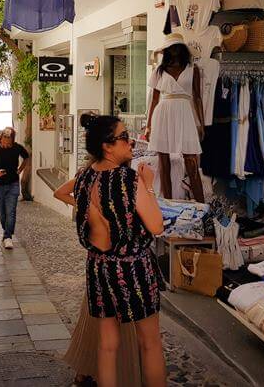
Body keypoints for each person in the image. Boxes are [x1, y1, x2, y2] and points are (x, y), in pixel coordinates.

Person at [63, 114, 166, 387]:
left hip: (99, 267)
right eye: (123, 137)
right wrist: (149, 187)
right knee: (150, 343)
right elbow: (156, 226)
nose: (130, 141)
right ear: (108, 146)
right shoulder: (129, 180)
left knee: (107, 345)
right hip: (133, 269)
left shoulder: (84, 177)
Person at [54, 171, 142, 387]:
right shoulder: (113, 178)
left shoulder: (90, 177)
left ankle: (88, 369)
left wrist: (86, 208)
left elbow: (60, 193)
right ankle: (114, 372)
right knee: (116, 322)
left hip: (99, 261)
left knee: (95, 320)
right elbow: (60, 192)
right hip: (116, 260)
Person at [145, 34, 206, 202]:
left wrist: (200, 124)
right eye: (171, 47)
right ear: (166, 50)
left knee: (191, 160)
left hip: (185, 113)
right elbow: (154, 99)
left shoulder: (193, 69)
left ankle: (201, 205)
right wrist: (148, 125)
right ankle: (168, 203)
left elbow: (198, 97)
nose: (174, 50)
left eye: (177, 46)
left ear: (182, 49)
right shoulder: (159, 71)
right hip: (163, 113)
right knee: (164, 163)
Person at [0, 127, 30, 249]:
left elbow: (26, 157)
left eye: (9, 142)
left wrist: (20, 170)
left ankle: (7, 237)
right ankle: (7, 231)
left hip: (13, 184)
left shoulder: (16, 148)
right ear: (1, 139)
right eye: (5, 141)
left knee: (11, 212)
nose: (7, 144)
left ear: (12, 140)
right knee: (1, 212)